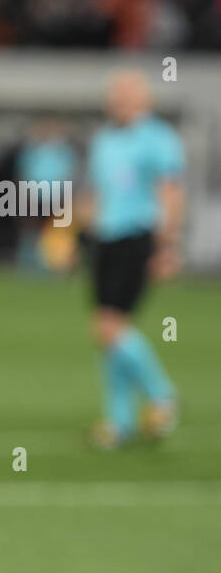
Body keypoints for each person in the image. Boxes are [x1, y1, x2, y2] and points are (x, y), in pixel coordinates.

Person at [84, 70, 183, 449]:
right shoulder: (105, 139)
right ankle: (119, 421)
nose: (118, 101)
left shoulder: (158, 138)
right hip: (106, 238)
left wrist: (167, 245)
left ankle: (162, 395)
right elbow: (98, 192)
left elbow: (170, 192)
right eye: (115, 94)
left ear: (144, 99)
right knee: (109, 329)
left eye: (126, 94)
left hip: (137, 236)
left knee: (110, 326)